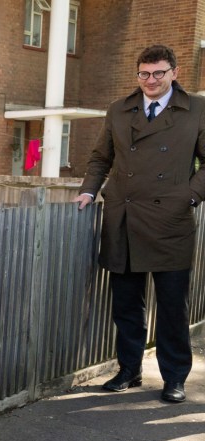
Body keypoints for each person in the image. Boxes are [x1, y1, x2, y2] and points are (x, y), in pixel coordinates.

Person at [74, 44, 205, 404]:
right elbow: (101, 157)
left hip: (170, 220)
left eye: (159, 73)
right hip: (124, 217)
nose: (151, 80)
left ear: (174, 73)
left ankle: (174, 377)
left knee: (172, 307)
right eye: (144, 74)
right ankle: (129, 370)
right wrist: (88, 191)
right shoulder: (119, 109)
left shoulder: (197, 109)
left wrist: (190, 196)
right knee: (126, 305)